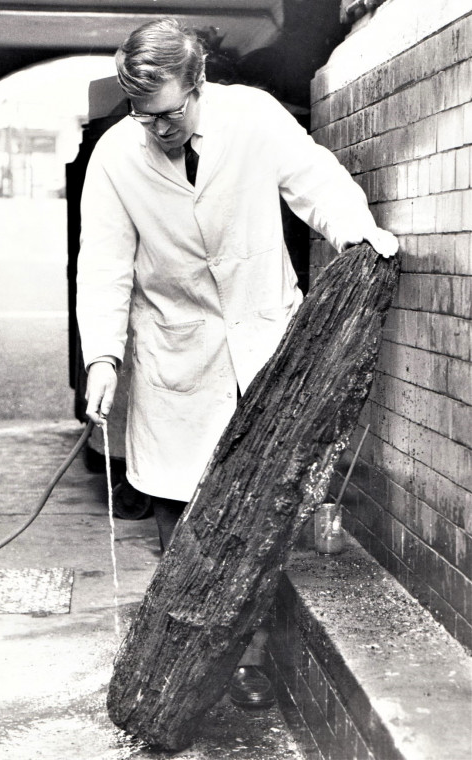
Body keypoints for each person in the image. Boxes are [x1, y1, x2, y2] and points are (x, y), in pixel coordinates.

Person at [76, 17, 398, 709]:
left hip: (261, 345)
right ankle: (184, 661)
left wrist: (360, 235)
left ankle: (246, 660)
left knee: (260, 513)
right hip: (174, 357)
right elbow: (103, 266)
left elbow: (315, 183)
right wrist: (101, 358)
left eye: (167, 113)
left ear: (198, 84)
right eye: (141, 115)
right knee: (181, 520)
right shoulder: (114, 156)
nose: (155, 129)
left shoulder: (253, 117)